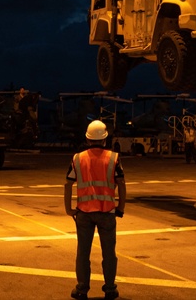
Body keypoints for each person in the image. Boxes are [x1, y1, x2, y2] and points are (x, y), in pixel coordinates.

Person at [64, 120, 125, 300]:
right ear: (105, 139)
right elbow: (121, 183)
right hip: (107, 212)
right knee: (109, 253)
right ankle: (110, 289)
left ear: (88, 139)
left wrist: (69, 209)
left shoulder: (77, 158)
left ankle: (82, 289)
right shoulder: (114, 158)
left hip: (83, 213)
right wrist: (120, 207)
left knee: (83, 252)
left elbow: (68, 184)